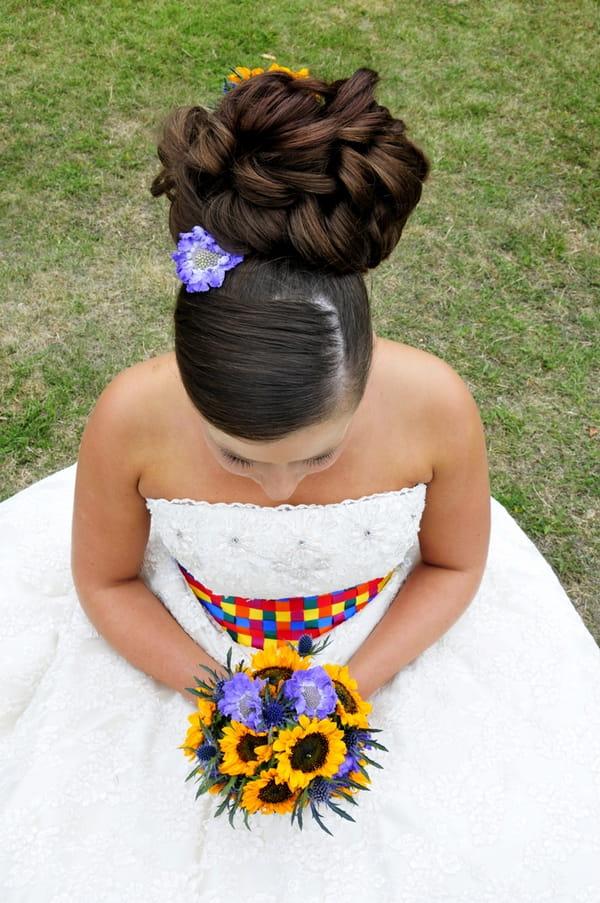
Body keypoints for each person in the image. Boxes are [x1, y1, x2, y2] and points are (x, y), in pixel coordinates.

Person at [0, 66, 598, 903]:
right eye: (236, 458)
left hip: (384, 636)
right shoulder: (130, 417)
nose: (279, 491)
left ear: (364, 380)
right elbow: (103, 578)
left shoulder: (434, 405)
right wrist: (216, 689)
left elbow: (457, 566)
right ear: (184, 386)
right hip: (195, 635)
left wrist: (350, 686)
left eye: (318, 457)